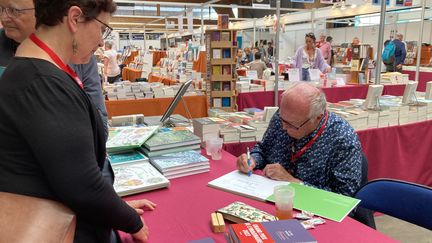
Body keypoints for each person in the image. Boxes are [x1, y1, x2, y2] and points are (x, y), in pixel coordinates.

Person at [0, 0, 153, 242]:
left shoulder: (37, 72)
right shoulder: (42, 82)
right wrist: (131, 221)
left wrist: (111, 208)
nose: (102, 41)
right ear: (74, 18)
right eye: (102, 28)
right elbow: (83, 185)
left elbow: (68, 170)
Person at [236, 82, 363, 197]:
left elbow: (344, 198)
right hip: (270, 196)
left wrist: (293, 182)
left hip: (313, 210)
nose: (283, 127)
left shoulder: (343, 139)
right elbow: (263, 149)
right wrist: (252, 159)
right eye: (282, 119)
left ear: (318, 118)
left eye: (292, 125)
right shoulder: (283, 117)